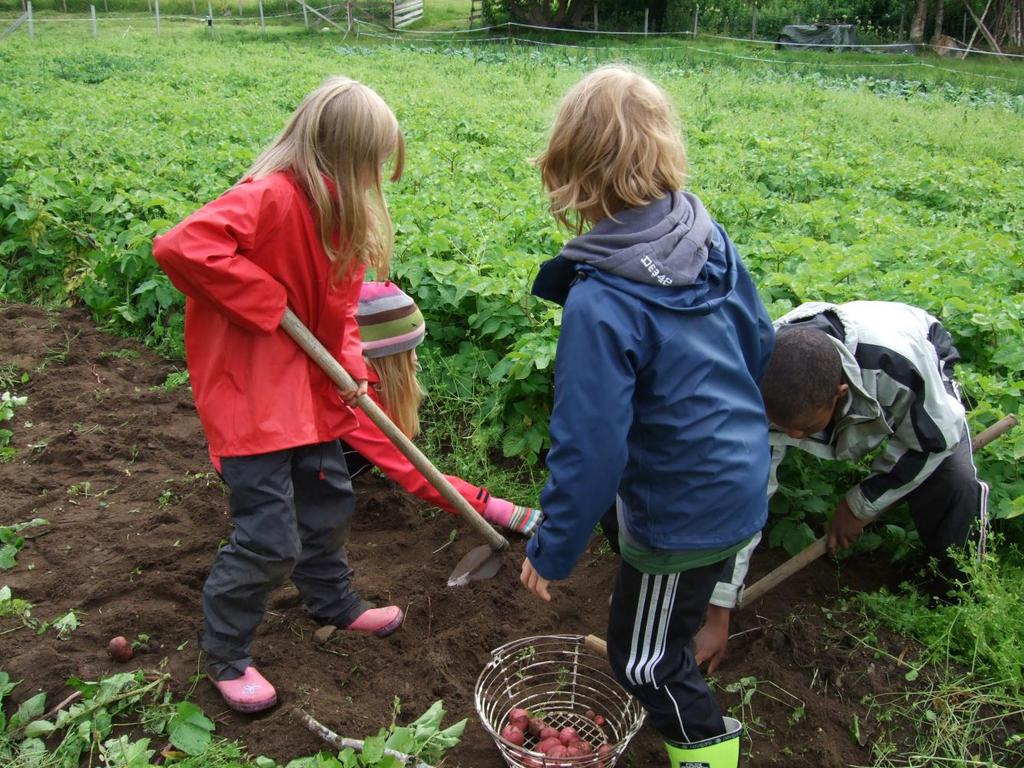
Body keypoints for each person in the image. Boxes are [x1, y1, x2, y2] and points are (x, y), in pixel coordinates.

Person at [518, 65, 775, 768]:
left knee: (645, 662)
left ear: (570, 166)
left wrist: (552, 548)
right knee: (661, 609)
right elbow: (761, 343)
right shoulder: (707, 237)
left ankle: (711, 756)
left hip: (683, 511)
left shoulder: (600, 300)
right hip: (741, 472)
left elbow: (591, 448)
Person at [153, 76, 406, 714]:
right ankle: (228, 652)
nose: (377, 174)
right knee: (268, 536)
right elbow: (184, 246)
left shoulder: (338, 216)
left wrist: (349, 367)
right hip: (254, 400)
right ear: (342, 154)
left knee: (327, 504)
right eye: (374, 161)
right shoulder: (269, 198)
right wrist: (269, 301)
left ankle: (334, 602)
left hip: (312, 395)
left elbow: (341, 312)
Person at [695, 300, 988, 674]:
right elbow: (742, 500)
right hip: (811, 383)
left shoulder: (899, 367)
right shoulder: (757, 381)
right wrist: (718, 610)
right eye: (784, 429)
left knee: (953, 481)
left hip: (919, 345)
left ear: (840, 393)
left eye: (805, 428)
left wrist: (859, 504)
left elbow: (933, 439)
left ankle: (960, 596)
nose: (795, 437)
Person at [341, 280, 541, 536]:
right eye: (408, 351)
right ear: (384, 357)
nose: (415, 359)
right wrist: (496, 508)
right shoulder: (354, 400)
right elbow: (412, 469)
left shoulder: (360, 381)